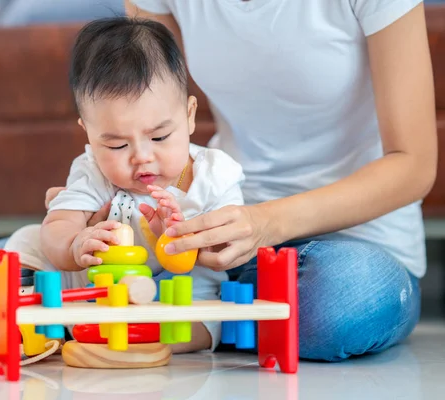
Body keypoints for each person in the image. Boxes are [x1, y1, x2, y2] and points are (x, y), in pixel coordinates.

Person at [45, 0, 438, 362]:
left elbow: (414, 164)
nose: (141, 153)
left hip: (347, 245)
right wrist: (82, 223)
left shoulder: (216, 174)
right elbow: (140, 106)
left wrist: (265, 223)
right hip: (220, 244)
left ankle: (191, 319)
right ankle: (224, 317)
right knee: (12, 271)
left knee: (346, 294)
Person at [3, 16, 247, 353]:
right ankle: (33, 319)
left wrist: (180, 237)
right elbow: (58, 224)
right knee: (26, 240)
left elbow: (228, 252)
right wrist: (75, 245)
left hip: (181, 296)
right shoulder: (93, 171)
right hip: (90, 293)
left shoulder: (214, 174)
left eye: (160, 136)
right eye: (117, 145)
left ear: (190, 116)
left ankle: (123, 338)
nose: (141, 157)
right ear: (88, 132)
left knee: (209, 319)